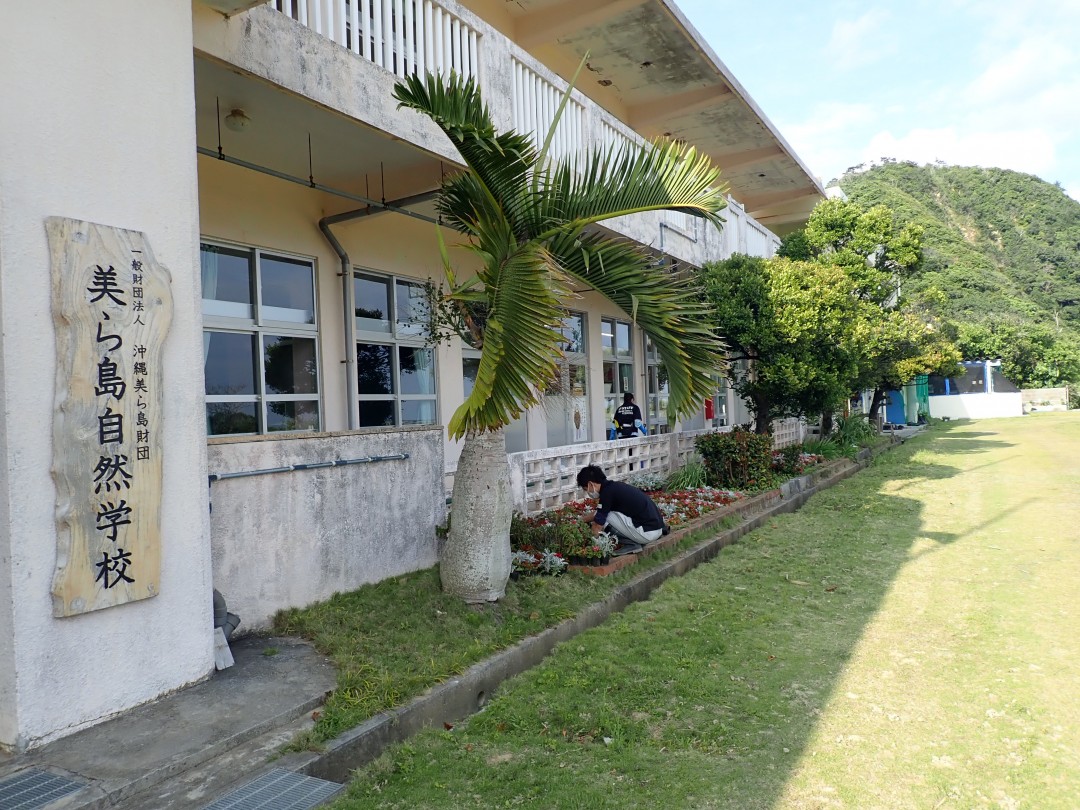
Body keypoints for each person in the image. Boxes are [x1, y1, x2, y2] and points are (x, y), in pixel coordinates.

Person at [576, 464, 668, 556]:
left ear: (590, 484)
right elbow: (598, 512)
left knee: (604, 518)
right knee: (603, 514)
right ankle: (632, 543)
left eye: (585, 489)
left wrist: (588, 546)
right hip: (657, 530)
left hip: (647, 534)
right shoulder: (615, 487)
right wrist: (580, 521)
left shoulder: (607, 494)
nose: (587, 492)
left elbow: (598, 525)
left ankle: (632, 544)